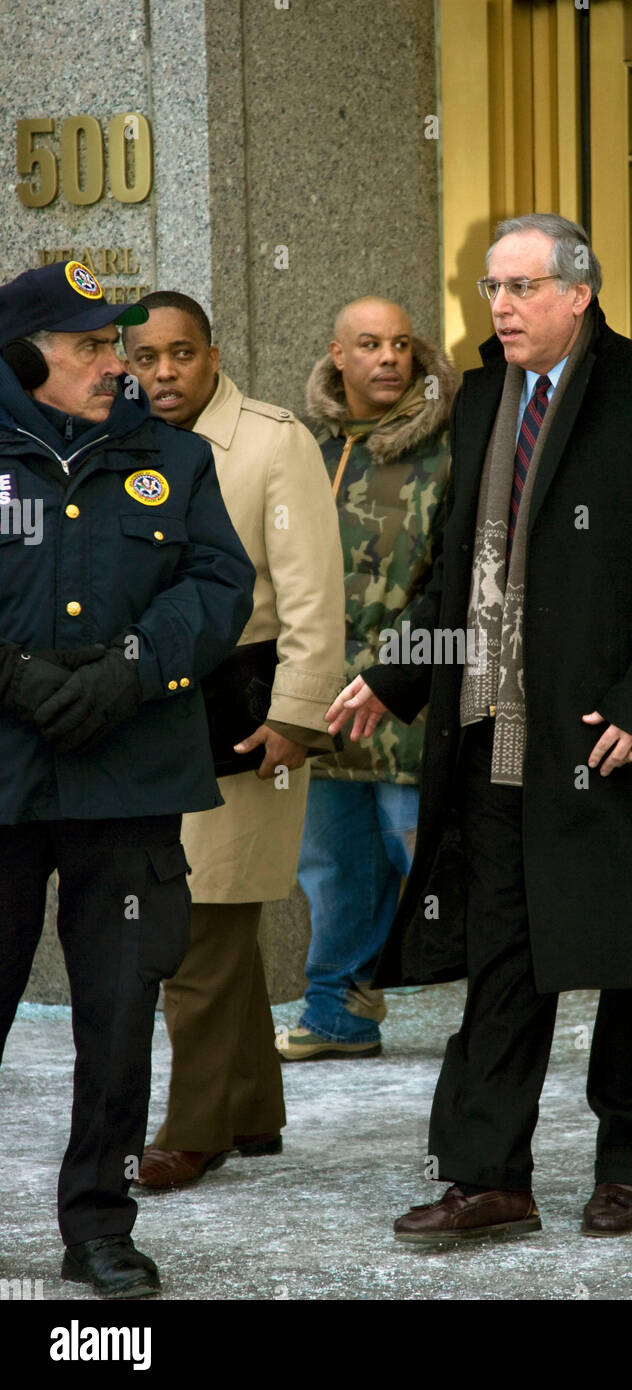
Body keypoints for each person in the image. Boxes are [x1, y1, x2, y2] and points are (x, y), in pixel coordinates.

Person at [326, 215, 632, 1242]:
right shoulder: (479, 400)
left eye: (518, 287)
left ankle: (627, 1168)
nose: (497, 307)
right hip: (493, 736)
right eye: (489, 287)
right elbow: (457, 574)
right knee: (504, 957)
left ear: (577, 292)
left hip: (615, 736)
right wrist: (392, 675)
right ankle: (488, 1177)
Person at [0, 262, 255, 1296]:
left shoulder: (175, 460)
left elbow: (220, 584)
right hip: (5, 784)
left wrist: (133, 670)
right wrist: (12, 677)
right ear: (26, 358)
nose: (120, 364)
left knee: (117, 1015)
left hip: (131, 783)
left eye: (123, 344)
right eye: (93, 346)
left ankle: (100, 1224)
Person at [120, 291, 345, 1190]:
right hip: (148, 712)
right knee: (216, 915)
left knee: (200, 922)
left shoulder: (272, 439)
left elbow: (312, 589)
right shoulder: (117, 436)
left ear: (214, 355)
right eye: (146, 357)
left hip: (243, 714)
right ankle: (251, 1107)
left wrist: (298, 712)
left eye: (182, 354)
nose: (164, 373)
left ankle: (195, 1127)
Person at [276, 297, 454, 1060]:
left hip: (409, 695)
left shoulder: (452, 445)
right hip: (322, 694)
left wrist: (406, 670)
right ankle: (337, 1013)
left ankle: (504, 1015)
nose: (389, 358)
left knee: (428, 859)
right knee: (333, 866)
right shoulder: (305, 449)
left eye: (402, 344)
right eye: (370, 344)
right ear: (336, 355)